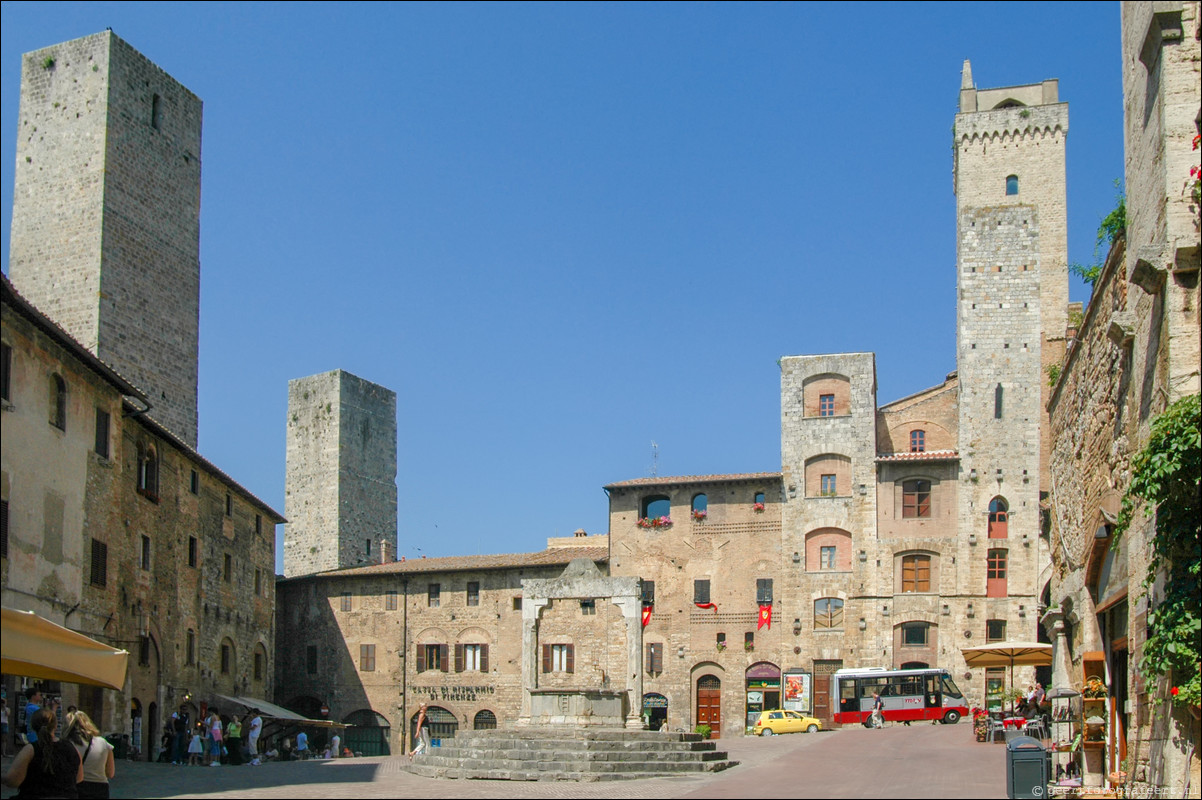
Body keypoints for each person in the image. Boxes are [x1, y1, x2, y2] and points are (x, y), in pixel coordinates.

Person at [2, 707, 83, 798]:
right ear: (55, 726)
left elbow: (13, 781)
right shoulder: (71, 748)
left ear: (33, 726)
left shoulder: (30, 750)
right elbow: (79, 778)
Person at [65, 710, 115, 799]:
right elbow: (110, 773)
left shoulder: (67, 744)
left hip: (77, 786)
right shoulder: (103, 743)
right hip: (100, 789)